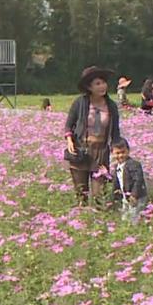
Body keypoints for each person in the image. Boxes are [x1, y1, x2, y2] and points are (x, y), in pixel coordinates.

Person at [64, 66, 121, 203]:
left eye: (103, 83)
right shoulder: (80, 103)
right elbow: (69, 125)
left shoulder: (111, 106)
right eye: (97, 84)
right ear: (89, 87)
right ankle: (82, 220)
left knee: (99, 195)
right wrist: (70, 140)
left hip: (101, 152)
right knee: (81, 193)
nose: (102, 86)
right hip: (81, 151)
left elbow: (115, 132)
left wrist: (117, 152)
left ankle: (100, 220)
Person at [110, 138, 147, 222]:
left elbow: (138, 180)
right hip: (125, 197)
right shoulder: (117, 166)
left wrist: (134, 194)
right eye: (117, 153)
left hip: (136, 197)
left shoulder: (133, 164)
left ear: (128, 151)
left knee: (135, 218)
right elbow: (117, 182)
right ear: (112, 153)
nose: (120, 155)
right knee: (125, 218)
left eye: (123, 152)